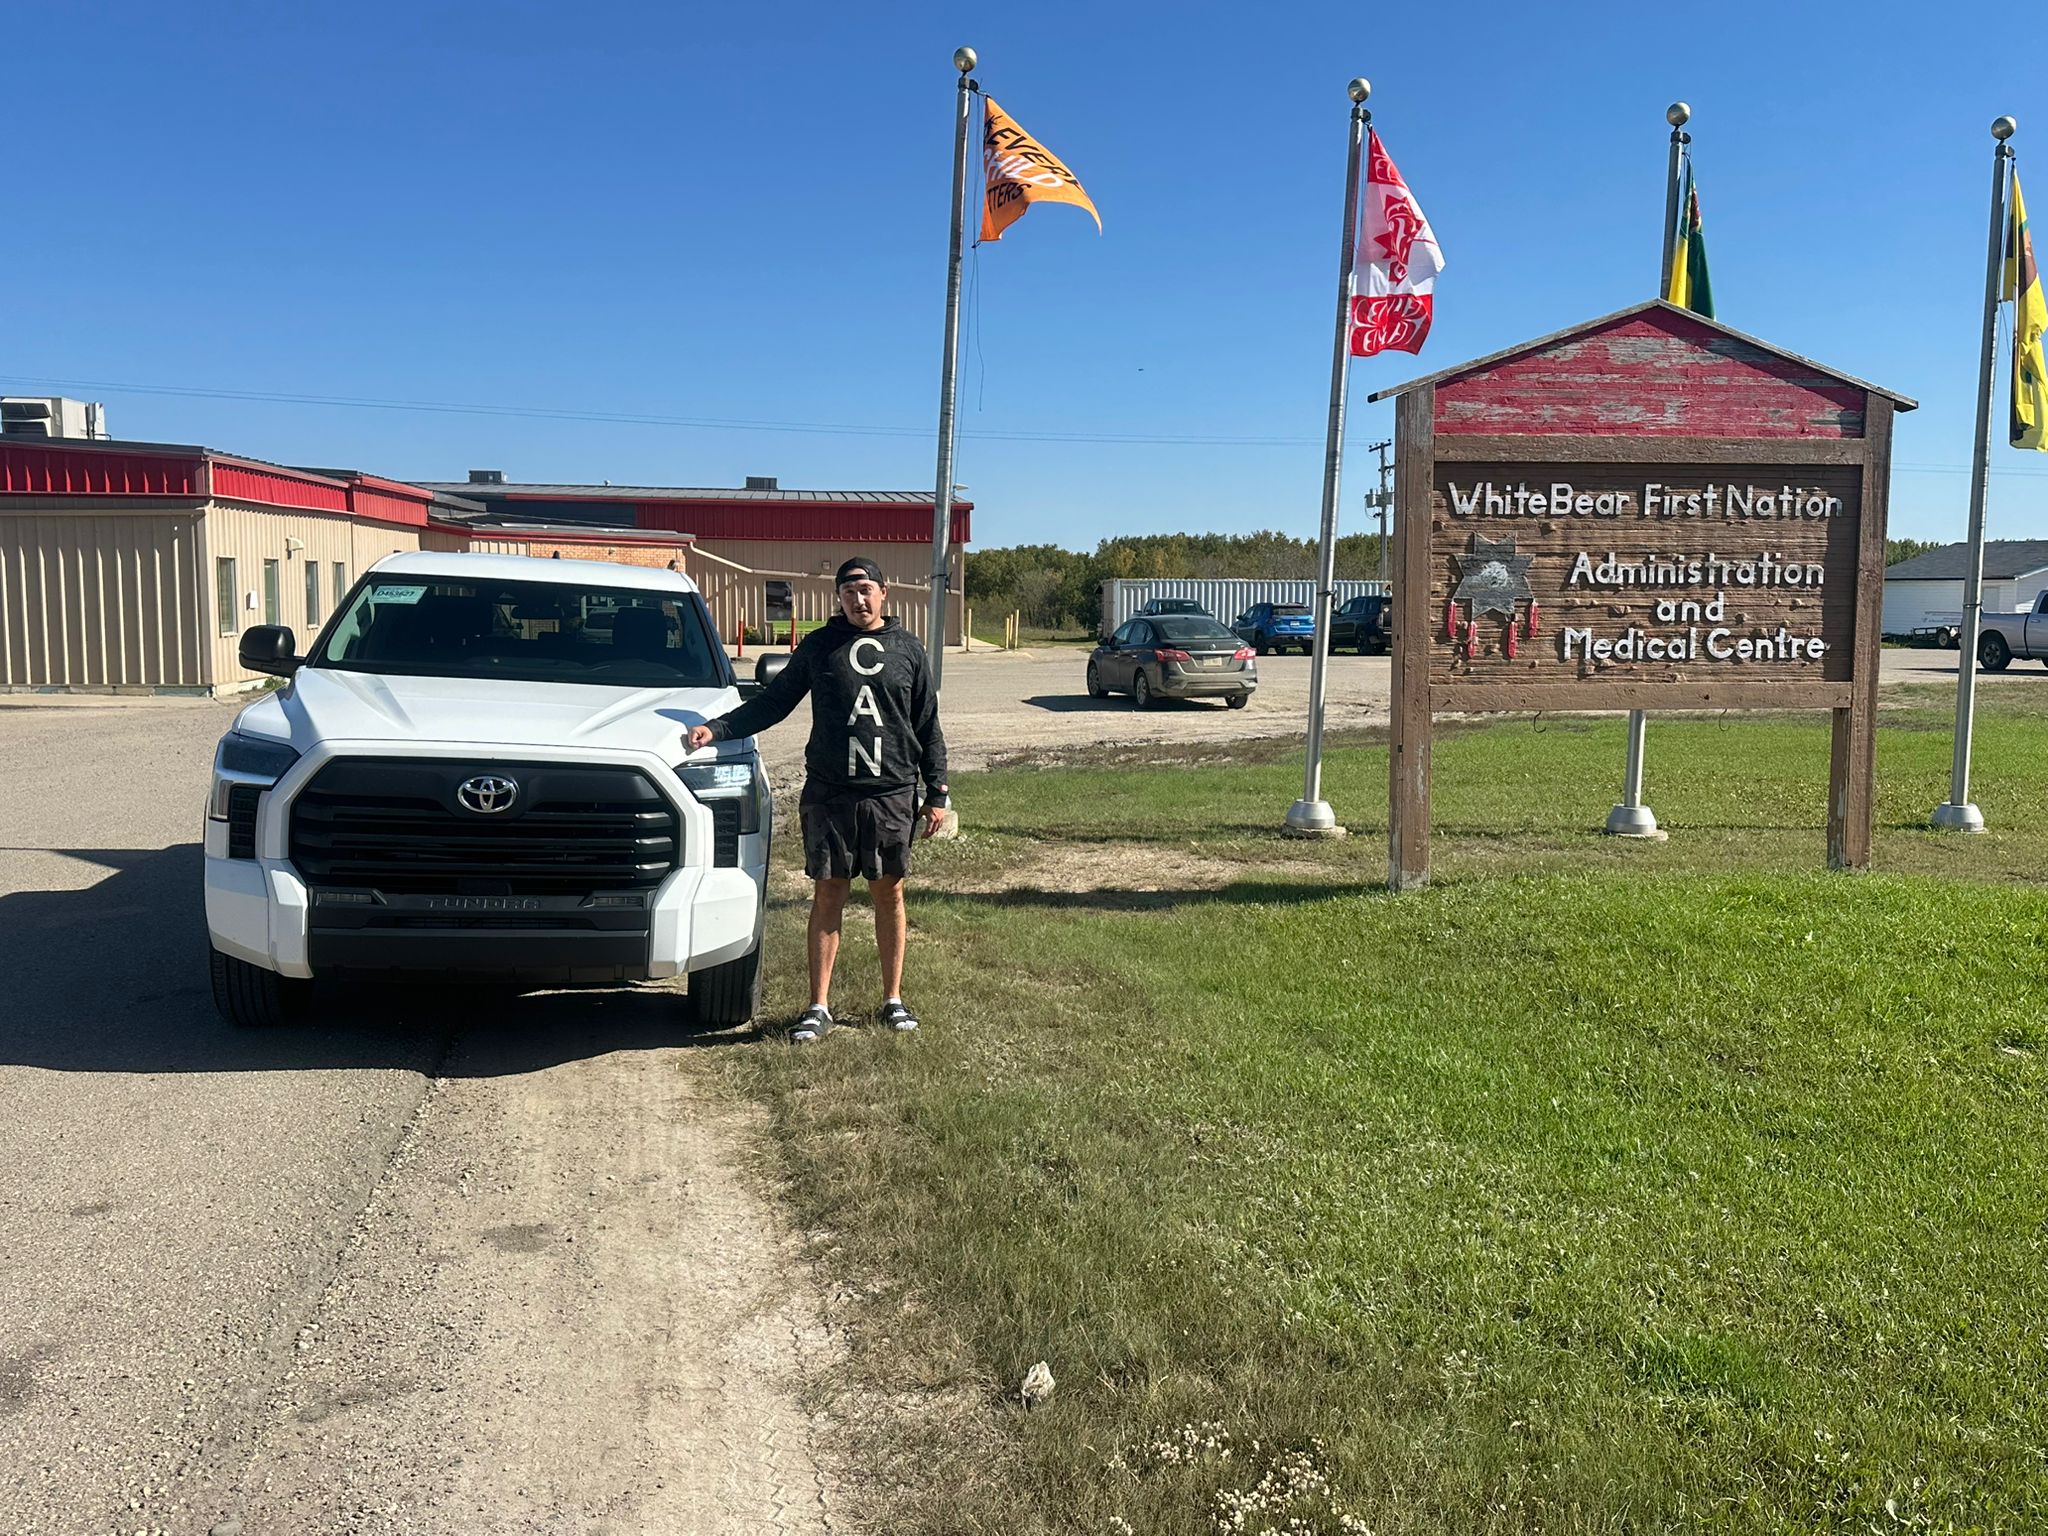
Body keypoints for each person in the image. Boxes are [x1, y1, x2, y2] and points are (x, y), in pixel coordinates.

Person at [686, 557, 948, 1042]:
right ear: (839, 598)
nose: (858, 599)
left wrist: (937, 791)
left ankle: (893, 999)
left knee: (889, 892)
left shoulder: (908, 649)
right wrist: (718, 729)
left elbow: (927, 724)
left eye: (866, 589)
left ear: (884, 593)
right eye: (849, 591)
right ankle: (818, 1006)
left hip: (890, 792)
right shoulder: (820, 646)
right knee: (829, 891)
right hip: (829, 794)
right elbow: (774, 702)